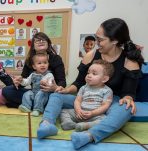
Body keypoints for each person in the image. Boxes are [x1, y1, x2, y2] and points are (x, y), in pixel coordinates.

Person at [37, 18, 144, 150]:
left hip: (109, 102)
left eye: (100, 40)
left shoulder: (129, 61)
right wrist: (65, 90)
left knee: (127, 109)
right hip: (85, 97)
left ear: (115, 41)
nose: (96, 43)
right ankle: (47, 124)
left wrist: (128, 98)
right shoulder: (90, 55)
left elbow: (128, 93)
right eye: (96, 38)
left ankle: (88, 135)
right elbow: (79, 83)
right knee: (56, 95)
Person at [2, 32, 66, 108]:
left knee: (56, 98)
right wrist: (18, 81)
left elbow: (62, 82)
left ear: (48, 44)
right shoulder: (30, 60)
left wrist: (55, 88)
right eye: (37, 40)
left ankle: (28, 105)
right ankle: (37, 105)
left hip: (49, 93)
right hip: (34, 93)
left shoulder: (56, 59)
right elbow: (24, 79)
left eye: (43, 40)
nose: (41, 42)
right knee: (6, 90)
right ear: (33, 46)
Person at [60, 59, 114, 132]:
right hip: (80, 113)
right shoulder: (83, 88)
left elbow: (105, 106)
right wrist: (78, 110)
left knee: (104, 119)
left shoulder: (107, 91)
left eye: (94, 74)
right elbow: (78, 100)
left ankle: (86, 125)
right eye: (88, 73)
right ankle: (68, 123)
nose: (89, 75)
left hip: (95, 115)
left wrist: (92, 113)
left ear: (104, 79)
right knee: (64, 111)